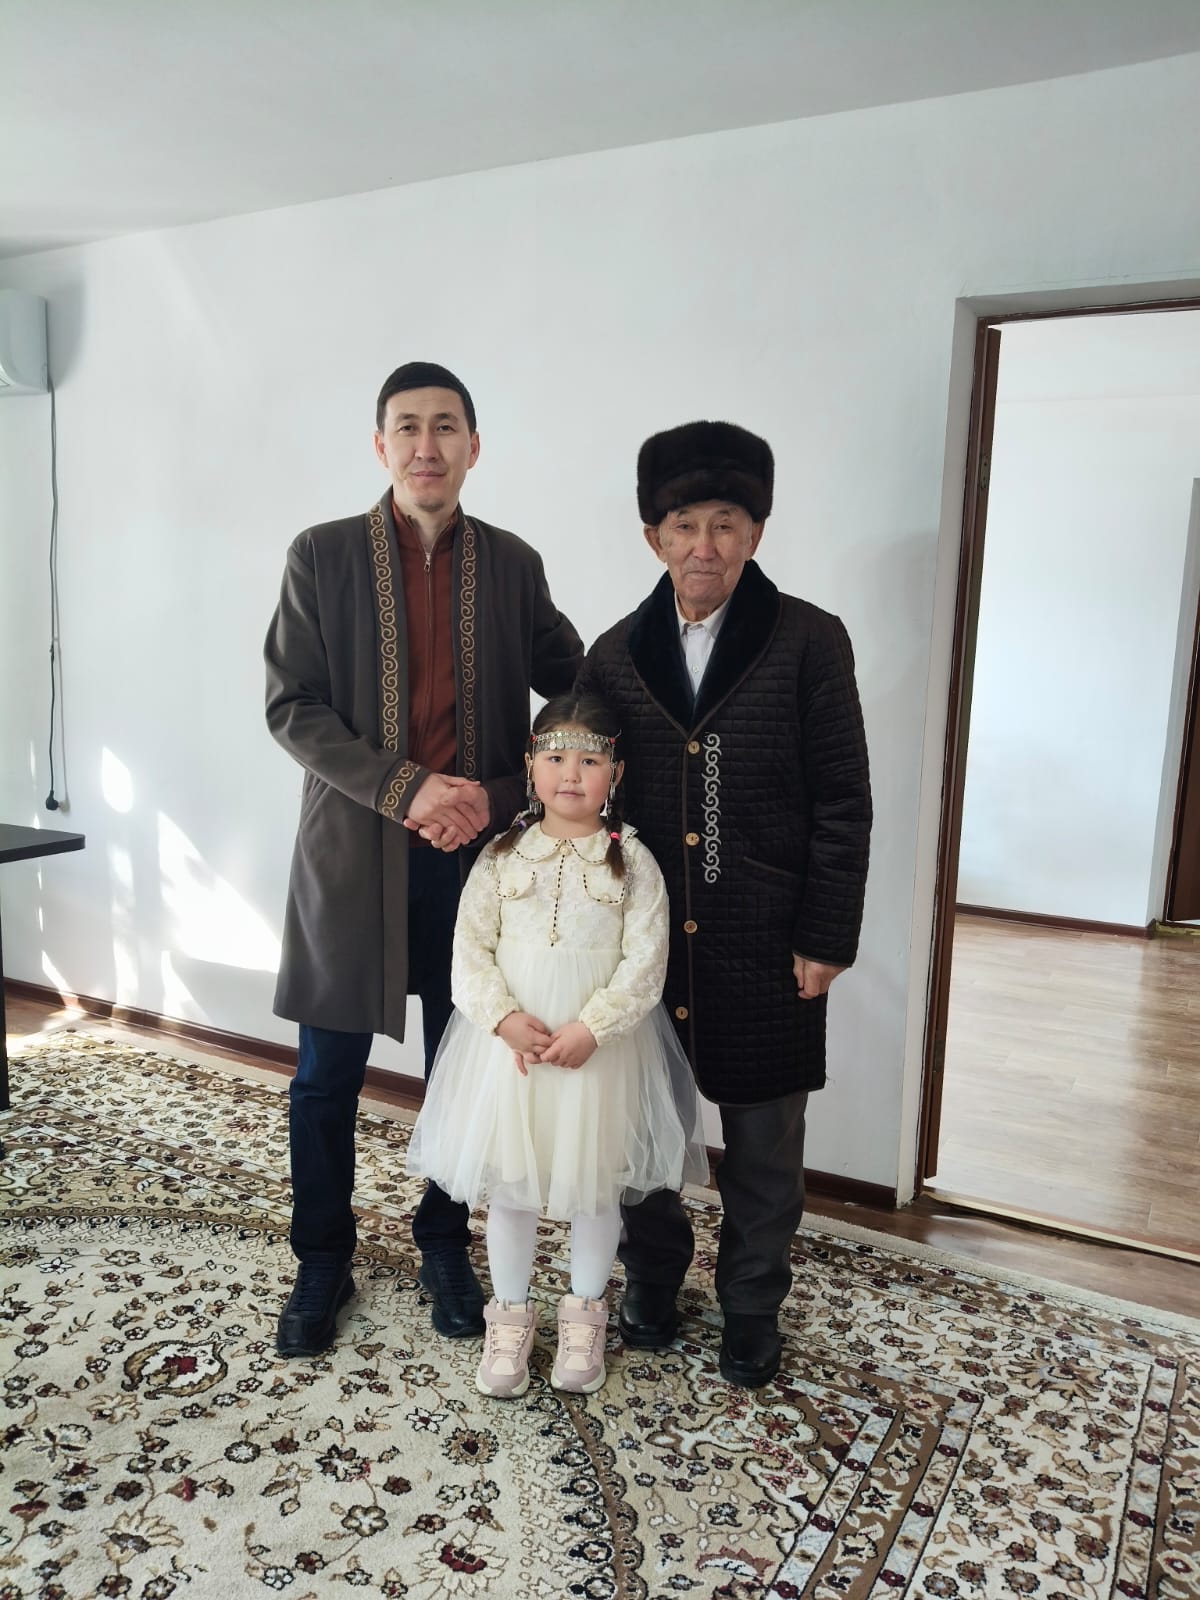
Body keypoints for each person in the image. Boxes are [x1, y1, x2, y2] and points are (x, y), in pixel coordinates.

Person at [265, 362, 583, 1357]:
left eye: (446, 426)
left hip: (475, 862)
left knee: (461, 1065)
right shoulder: (321, 555)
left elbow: (575, 687)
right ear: (381, 446)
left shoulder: (514, 565)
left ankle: (444, 1243)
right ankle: (322, 1258)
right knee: (326, 1074)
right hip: (353, 853)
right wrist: (407, 789)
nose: (426, 445)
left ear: (474, 446)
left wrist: (507, 789)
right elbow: (292, 706)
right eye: (407, 427)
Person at [577, 420, 872, 1388]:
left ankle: (751, 1305)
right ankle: (654, 1281)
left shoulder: (811, 641)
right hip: (647, 947)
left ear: (756, 531)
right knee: (644, 1137)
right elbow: (582, 798)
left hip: (767, 940)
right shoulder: (614, 654)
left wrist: (827, 935)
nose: (704, 545)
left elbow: (844, 801)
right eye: (684, 525)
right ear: (653, 536)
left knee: (762, 1149)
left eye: (726, 523)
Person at [406, 693, 707, 1398]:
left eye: (590, 761)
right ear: (530, 767)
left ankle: (584, 1314)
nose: (571, 774)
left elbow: (646, 963)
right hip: (511, 1053)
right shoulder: (500, 857)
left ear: (616, 773)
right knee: (511, 1188)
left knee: (595, 1188)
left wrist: (593, 1028)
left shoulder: (633, 863)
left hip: (597, 1055)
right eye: (556, 758)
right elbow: (469, 951)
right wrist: (503, 1019)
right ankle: (510, 1316)